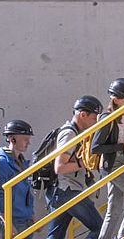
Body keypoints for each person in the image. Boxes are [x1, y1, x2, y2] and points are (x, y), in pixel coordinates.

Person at [92, 78, 124, 239]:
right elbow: (96, 147)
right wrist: (123, 147)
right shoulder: (107, 118)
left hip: (122, 162)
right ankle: (123, 236)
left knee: (114, 209)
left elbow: (123, 140)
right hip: (111, 165)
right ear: (115, 99)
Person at [46, 96, 104, 239]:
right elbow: (59, 167)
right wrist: (84, 163)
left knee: (56, 235)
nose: (95, 123)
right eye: (94, 118)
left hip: (61, 191)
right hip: (68, 190)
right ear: (83, 115)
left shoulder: (77, 133)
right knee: (100, 229)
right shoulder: (70, 134)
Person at [0, 119, 35, 236]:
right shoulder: (1, 163)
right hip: (13, 221)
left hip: (25, 220)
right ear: (12, 139)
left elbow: (27, 192)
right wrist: (7, 222)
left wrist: (32, 216)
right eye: (25, 139)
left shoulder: (22, 163)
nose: (28, 143)